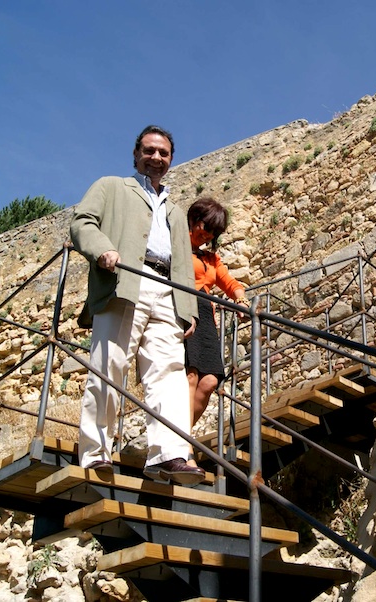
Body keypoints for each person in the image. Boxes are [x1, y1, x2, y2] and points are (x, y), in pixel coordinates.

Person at [70, 125, 205, 486]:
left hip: (168, 292)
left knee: (169, 373)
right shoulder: (111, 186)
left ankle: (168, 455)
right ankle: (96, 452)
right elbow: (81, 223)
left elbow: (183, 263)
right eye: (149, 151)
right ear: (135, 154)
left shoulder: (176, 211)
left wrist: (188, 308)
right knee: (109, 365)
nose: (156, 157)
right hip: (125, 281)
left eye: (163, 153)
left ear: (171, 159)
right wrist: (102, 249)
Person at [184, 197, 249, 429]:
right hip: (184, 309)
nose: (208, 235)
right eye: (206, 227)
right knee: (190, 376)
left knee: (210, 381)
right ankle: (182, 442)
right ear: (194, 219)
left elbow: (230, 283)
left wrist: (241, 299)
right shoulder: (176, 247)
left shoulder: (211, 259)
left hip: (206, 317)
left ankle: (180, 434)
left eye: (214, 232)